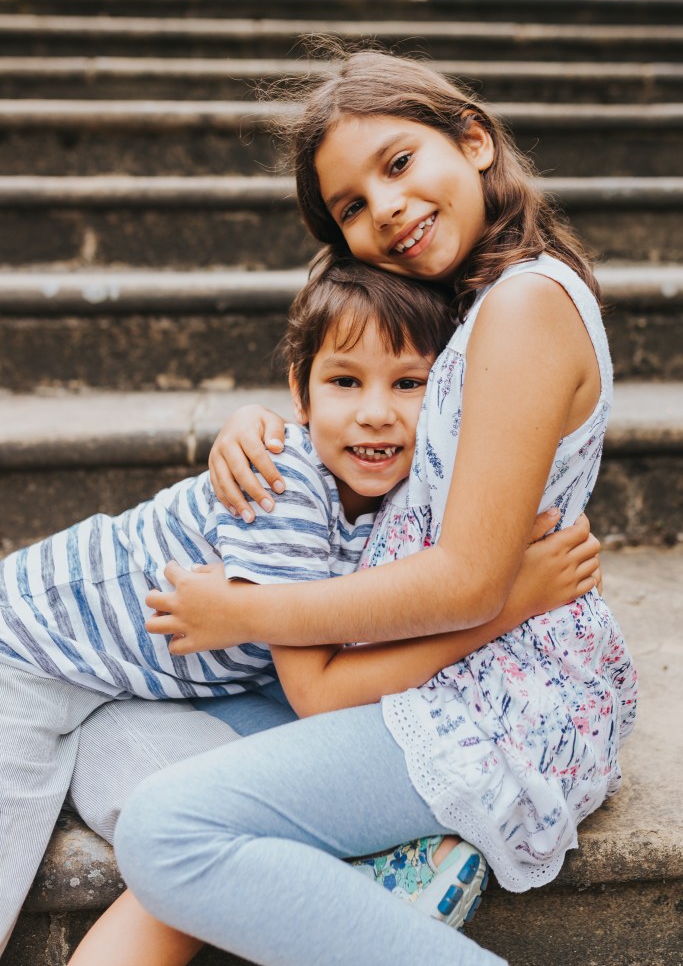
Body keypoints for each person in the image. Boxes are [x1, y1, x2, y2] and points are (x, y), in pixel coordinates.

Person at [112, 48, 637, 966]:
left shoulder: (521, 308)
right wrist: (269, 423)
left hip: (495, 704)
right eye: (351, 205)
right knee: (130, 730)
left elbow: (472, 581)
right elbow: (373, 393)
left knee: (166, 828)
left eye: (396, 164)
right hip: (428, 666)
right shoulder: (481, 304)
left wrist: (245, 609)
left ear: (473, 140)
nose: (383, 207)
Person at [0, 257, 595, 959]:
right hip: (27, 654)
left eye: (408, 384)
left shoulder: (390, 494)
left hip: (136, 688)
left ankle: (376, 878)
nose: (374, 411)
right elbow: (317, 690)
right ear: (301, 395)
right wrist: (511, 600)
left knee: (211, 808)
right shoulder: (284, 487)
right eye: (345, 381)